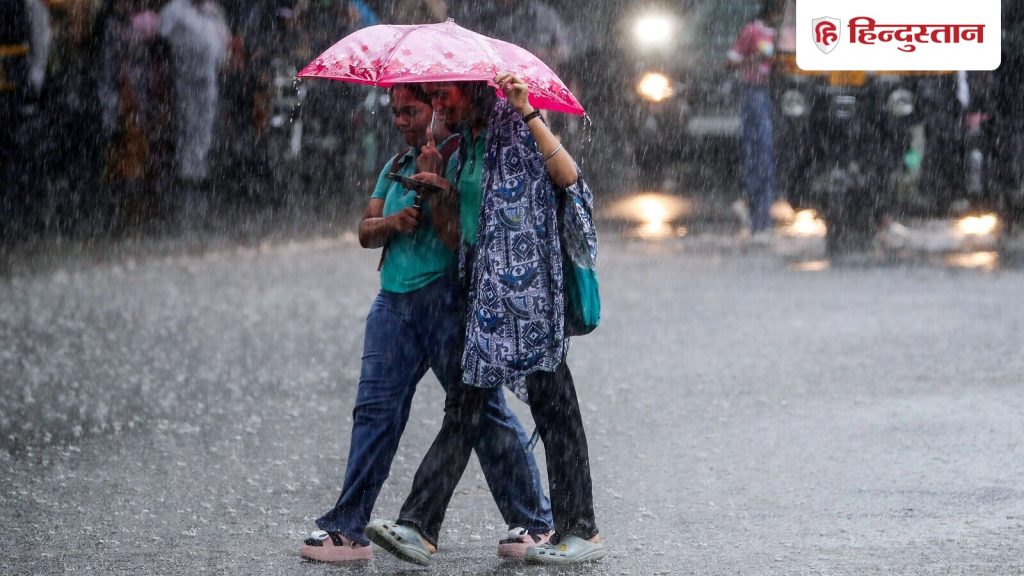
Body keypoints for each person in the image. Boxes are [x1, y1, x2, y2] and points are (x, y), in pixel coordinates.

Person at [299, 83, 553, 563]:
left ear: (435, 109)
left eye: (411, 110)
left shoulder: (461, 159)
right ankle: (347, 528)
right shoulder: (394, 166)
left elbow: (460, 238)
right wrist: (394, 221)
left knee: (481, 414)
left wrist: (438, 186)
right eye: (395, 113)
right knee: (375, 413)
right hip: (392, 305)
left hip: (443, 302)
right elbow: (365, 231)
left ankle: (534, 522)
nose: (401, 120)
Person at [364, 73, 605, 566]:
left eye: (443, 94)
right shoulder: (467, 143)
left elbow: (569, 178)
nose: (436, 105)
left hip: (530, 296)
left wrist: (529, 112)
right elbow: (467, 229)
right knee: (465, 407)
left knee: (555, 408)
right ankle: (418, 526)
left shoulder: (511, 127)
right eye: (430, 97)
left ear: (473, 89)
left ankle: (580, 530)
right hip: (488, 297)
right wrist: (439, 192)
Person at [726, 1, 781, 237]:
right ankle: (756, 212)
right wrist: (754, 59)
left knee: (769, 155)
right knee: (759, 152)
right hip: (755, 92)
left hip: (778, 94)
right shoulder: (751, 31)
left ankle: (763, 214)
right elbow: (730, 63)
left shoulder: (784, 35)